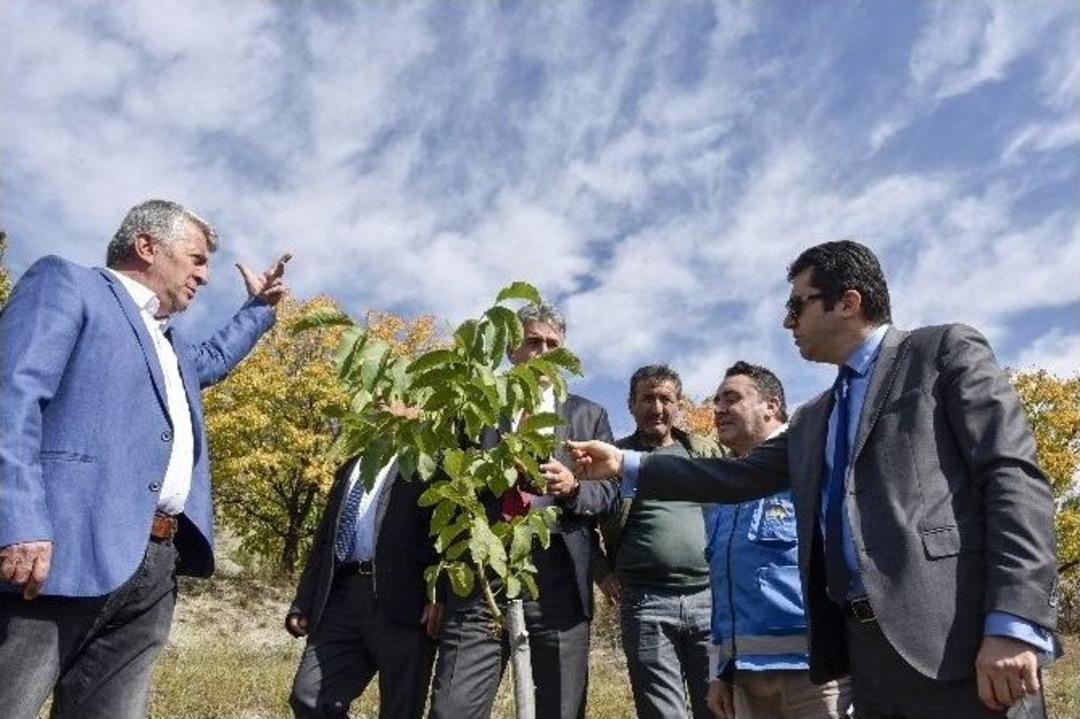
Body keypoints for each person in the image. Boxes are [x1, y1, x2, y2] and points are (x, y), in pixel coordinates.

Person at [569, 240, 1059, 718]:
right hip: (864, 657)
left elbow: (1011, 478)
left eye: (797, 305)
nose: (788, 321)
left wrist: (1014, 623)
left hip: (957, 644)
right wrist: (625, 464)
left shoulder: (940, 353)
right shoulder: (816, 418)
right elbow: (732, 477)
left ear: (848, 303)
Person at [0, 199, 290, 719]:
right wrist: (19, 519)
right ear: (146, 245)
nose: (204, 274)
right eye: (196, 258)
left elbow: (217, 357)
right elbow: (10, 399)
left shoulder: (172, 344)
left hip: (155, 563)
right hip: (61, 545)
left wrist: (259, 311)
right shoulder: (68, 284)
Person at [429, 302, 614, 719]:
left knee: (561, 710)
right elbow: (445, 486)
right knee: (452, 708)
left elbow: (609, 492)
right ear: (512, 349)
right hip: (481, 582)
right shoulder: (476, 409)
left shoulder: (588, 415)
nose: (543, 351)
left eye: (553, 344)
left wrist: (572, 488)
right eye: (534, 342)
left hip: (559, 585)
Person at [551, 364, 717, 718]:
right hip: (645, 602)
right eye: (647, 399)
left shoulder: (702, 452)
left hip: (709, 599)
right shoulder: (611, 460)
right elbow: (581, 521)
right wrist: (602, 573)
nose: (656, 408)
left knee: (718, 705)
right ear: (631, 405)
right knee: (661, 712)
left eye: (665, 399)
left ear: (679, 405)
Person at [705, 361, 851, 718]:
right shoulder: (721, 493)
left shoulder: (811, 466)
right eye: (716, 401)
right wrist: (717, 673)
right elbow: (721, 592)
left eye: (732, 398)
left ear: (771, 405)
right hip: (744, 681)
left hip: (817, 677)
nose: (719, 409)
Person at [286, 450, 445, 719]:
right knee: (309, 698)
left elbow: (448, 531)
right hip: (344, 596)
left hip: (408, 601)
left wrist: (439, 593)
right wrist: (304, 600)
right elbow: (325, 538)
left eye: (388, 402)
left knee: (400, 711)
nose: (378, 404)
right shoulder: (354, 462)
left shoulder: (432, 459)